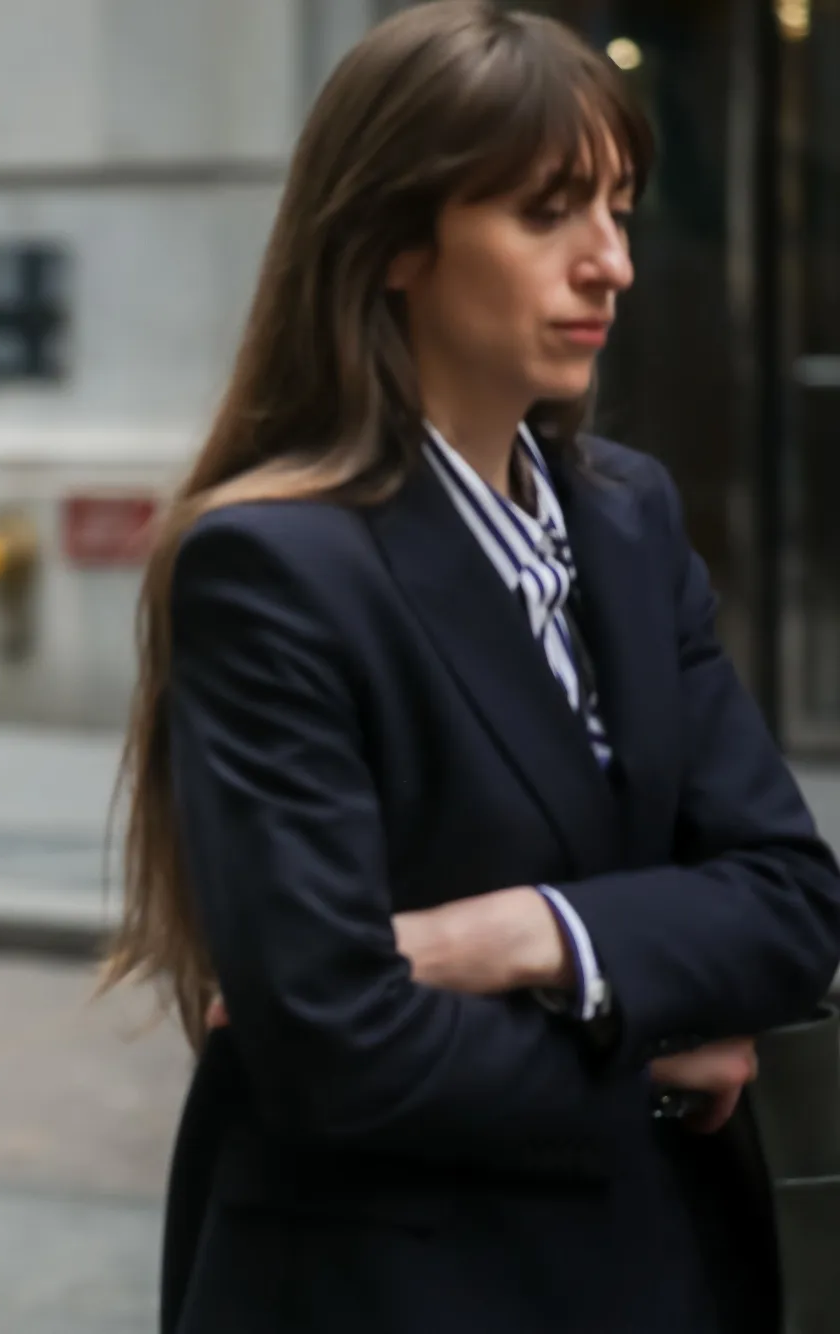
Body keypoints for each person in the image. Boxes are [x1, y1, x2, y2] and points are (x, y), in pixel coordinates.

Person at [104, 6, 840, 1333]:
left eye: (620, 208)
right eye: (549, 210)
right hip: (395, 1288)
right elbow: (337, 1045)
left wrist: (527, 934)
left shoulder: (629, 518)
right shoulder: (274, 566)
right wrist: (658, 1052)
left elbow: (790, 901)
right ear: (395, 241)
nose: (610, 262)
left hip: (662, 1271)